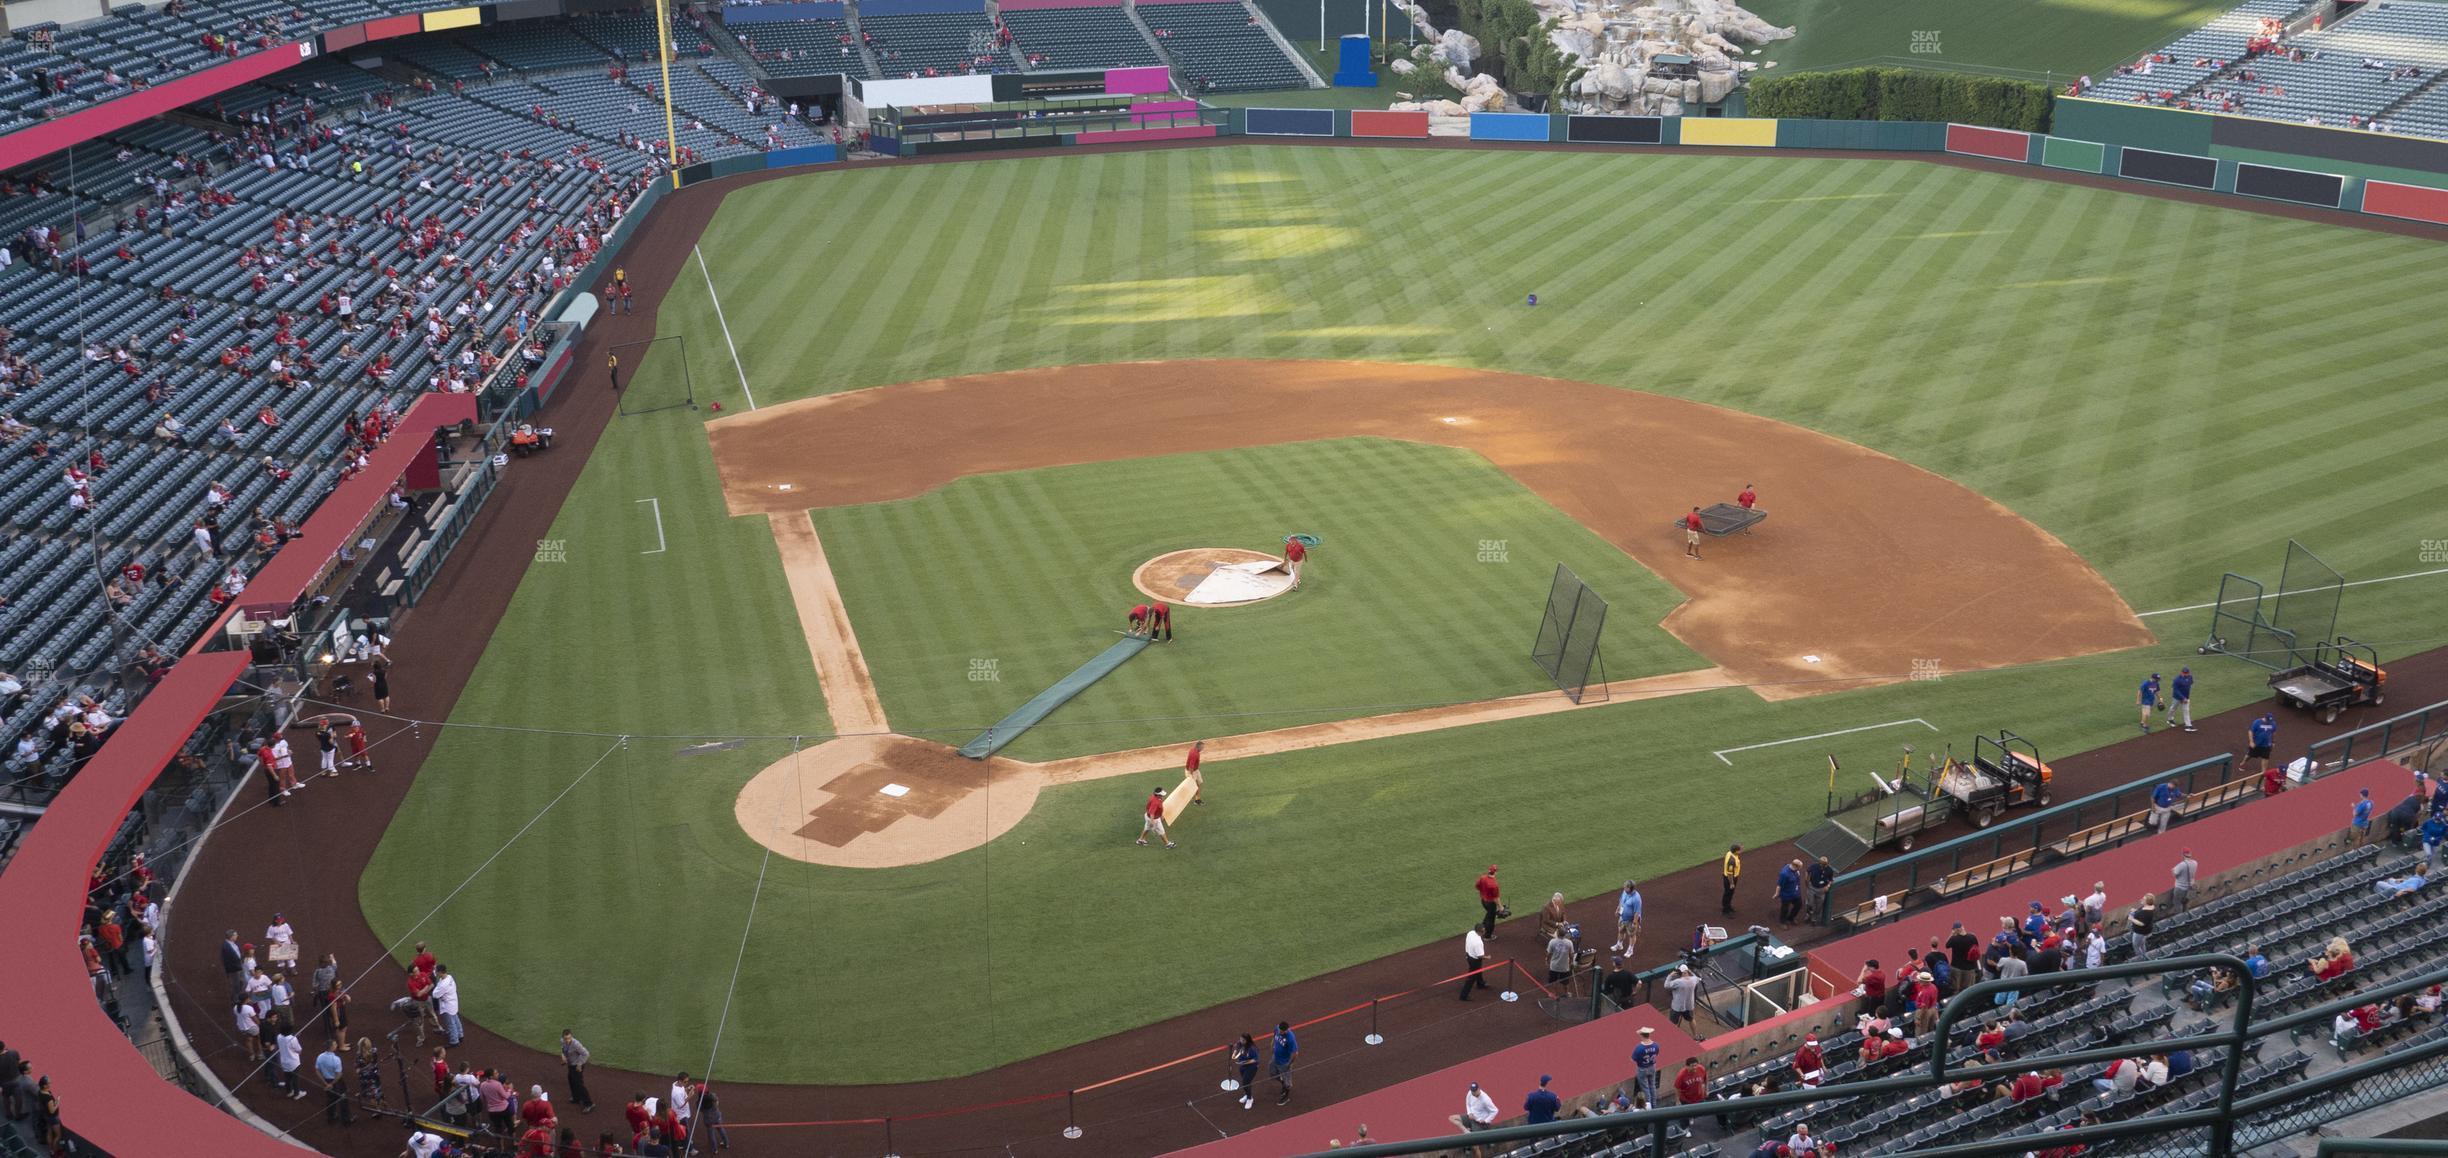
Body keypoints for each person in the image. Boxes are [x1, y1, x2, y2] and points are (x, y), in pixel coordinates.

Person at [318, 1039, 354, 1125]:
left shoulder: (320, 1057)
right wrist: (332, 1084)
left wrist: (326, 1083)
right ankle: (346, 1119)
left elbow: (317, 1071)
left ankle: (331, 1117)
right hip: (336, 1081)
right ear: (331, 1047)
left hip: (326, 1080)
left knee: (330, 1099)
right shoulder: (336, 1059)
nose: (336, 1045)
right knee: (343, 1098)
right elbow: (339, 1074)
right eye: (334, 1044)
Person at [561, 1030, 595, 1113]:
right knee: (571, 1080)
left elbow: (586, 1054)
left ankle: (589, 1103)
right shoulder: (562, 1041)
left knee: (579, 1084)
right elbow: (563, 1050)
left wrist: (579, 1064)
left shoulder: (576, 1044)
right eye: (566, 1039)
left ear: (571, 1036)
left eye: (569, 1038)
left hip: (577, 1066)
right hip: (571, 1065)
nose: (568, 1040)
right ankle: (576, 1098)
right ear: (563, 1038)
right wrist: (563, 1057)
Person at [1665, 963, 1701, 1032]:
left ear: (1680, 972)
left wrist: (1670, 975)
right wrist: (1690, 972)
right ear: (1687, 971)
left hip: (1677, 1007)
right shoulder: (1694, 979)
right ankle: (1695, 1036)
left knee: (1673, 1024)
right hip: (1689, 1006)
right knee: (1691, 1019)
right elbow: (1697, 978)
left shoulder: (1678, 982)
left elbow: (1666, 985)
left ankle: (1673, 1039)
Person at [1630, 1026, 1661, 1106]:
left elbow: (1633, 1059)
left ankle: (1648, 1105)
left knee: (1645, 1088)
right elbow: (1657, 1053)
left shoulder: (1639, 1048)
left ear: (1641, 1035)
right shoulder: (1656, 1045)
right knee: (1652, 1086)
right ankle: (1654, 1104)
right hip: (1652, 1066)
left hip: (1642, 1068)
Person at [432, 964, 462, 1045]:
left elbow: (435, 995)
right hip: (453, 1002)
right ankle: (460, 1034)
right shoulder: (450, 977)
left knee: (450, 1023)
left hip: (447, 1006)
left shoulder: (443, 985)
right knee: (455, 1019)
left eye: (437, 971)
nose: (436, 973)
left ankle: (454, 1040)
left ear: (440, 972)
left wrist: (436, 989)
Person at [1269, 1021, 1297, 1105]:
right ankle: (1283, 1084)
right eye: (1280, 1030)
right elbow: (1274, 1036)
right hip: (1275, 1058)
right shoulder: (1277, 1028)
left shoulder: (1290, 1038)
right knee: (1272, 1074)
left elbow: (1295, 1053)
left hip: (1284, 1062)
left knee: (1287, 1082)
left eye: (1282, 1031)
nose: (1280, 1032)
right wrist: (1272, 1045)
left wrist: (1290, 1064)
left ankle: (1286, 1097)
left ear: (1287, 1030)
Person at [1230, 1034, 1259, 1109]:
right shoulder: (1240, 1043)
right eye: (1240, 1039)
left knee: (1245, 1083)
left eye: (1243, 1040)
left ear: (1247, 1041)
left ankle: (1250, 1099)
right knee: (1245, 1082)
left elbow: (1255, 1059)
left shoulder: (1252, 1048)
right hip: (1242, 1066)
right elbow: (1237, 1047)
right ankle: (1247, 1095)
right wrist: (1234, 1054)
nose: (1241, 1041)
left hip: (1251, 1068)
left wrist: (1245, 1062)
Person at [1614, 879, 1643, 954]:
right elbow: (1621, 901)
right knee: (1620, 931)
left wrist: (1635, 923)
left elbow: (1637, 912)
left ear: (1631, 888)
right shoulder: (1624, 892)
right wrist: (1617, 910)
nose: (1624, 888)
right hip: (1622, 917)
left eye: (1626, 887)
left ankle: (1630, 950)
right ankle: (1619, 944)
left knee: (1631, 935)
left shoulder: (1636, 898)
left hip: (1631, 920)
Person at [1460, 926, 1489, 1000]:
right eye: (1484, 930)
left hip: (1469, 956)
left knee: (1479, 970)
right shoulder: (1478, 943)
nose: (1485, 931)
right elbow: (1480, 956)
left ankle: (1480, 984)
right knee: (1471, 978)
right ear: (1480, 932)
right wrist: (1487, 957)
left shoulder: (1471, 933)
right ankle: (1464, 996)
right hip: (1475, 961)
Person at [2248, 713, 2278, 780]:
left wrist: (2273, 742)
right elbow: (2250, 731)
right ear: (2264, 718)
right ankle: (2243, 762)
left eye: (2270, 720)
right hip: (2256, 743)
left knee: (2265, 757)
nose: (2269, 722)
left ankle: (2263, 772)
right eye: (2268, 720)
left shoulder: (2273, 723)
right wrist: (2251, 741)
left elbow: (2273, 733)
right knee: (2250, 755)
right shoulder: (2257, 722)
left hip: (2267, 744)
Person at [1805, 857, 1835, 925]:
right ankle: (1808, 914)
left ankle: (1814, 919)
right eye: (1823, 864)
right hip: (1812, 887)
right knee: (1810, 904)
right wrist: (1806, 880)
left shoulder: (1829, 870)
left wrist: (1828, 886)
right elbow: (1807, 871)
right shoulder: (1814, 866)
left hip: (1821, 890)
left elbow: (1831, 880)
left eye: (1826, 864)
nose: (1824, 866)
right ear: (1820, 863)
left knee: (1819, 906)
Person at [1476, 865, 1503, 939]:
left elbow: (1477, 886)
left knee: (1489, 915)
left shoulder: (1482, 878)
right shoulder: (1494, 885)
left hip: (1483, 901)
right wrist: (1500, 907)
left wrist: (1483, 892)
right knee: (1491, 919)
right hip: (1490, 904)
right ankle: (1488, 936)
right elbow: (1496, 898)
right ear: (1495, 872)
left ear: (1488, 870)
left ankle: (1481, 927)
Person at [1777, 860, 1803, 925]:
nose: (1800, 869)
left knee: (1798, 905)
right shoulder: (1784, 874)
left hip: (1795, 893)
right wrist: (1777, 893)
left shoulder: (1795, 870)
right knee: (1785, 909)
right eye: (1800, 867)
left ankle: (1791, 918)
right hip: (1786, 895)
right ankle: (1782, 922)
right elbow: (1779, 885)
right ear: (1796, 866)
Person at [1721, 844, 1743, 915]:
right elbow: (1730, 873)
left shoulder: (1730, 852)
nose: (1741, 851)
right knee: (1728, 893)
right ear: (1736, 851)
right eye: (1739, 850)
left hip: (1730, 877)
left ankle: (1728, 906)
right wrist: (1732, 883)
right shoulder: (1732, 861)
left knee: (1730, 893)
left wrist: (1739, 846)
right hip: (1730, 879)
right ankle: (1725, 910)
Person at [1183, 740, 1204, 805]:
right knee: (1194, 786)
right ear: (1199, 747)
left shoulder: (1195, 750)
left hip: (1196, 770)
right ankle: (1197, 800)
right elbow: (1190, 767)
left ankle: (1196, 797)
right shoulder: (1194, 754)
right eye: (1202, 747)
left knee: (1199, 782)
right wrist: (1191, 776)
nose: (1203, 748)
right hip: (1191, 771)